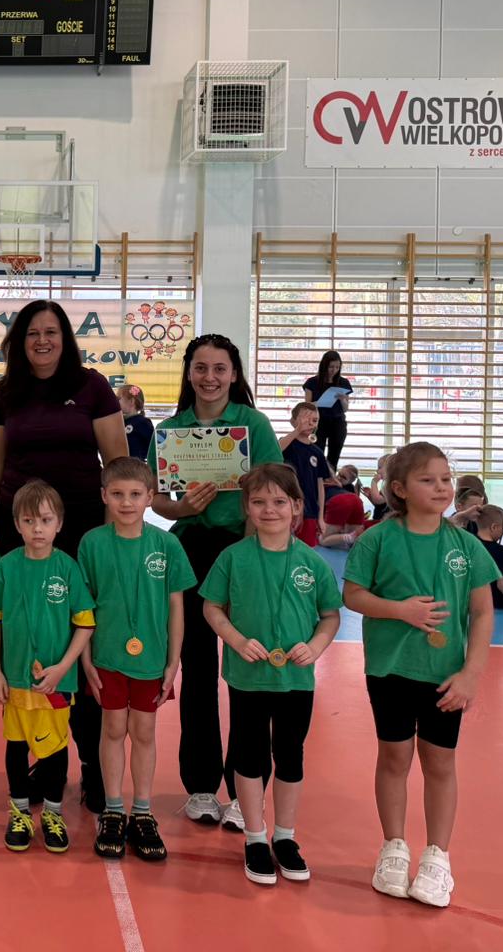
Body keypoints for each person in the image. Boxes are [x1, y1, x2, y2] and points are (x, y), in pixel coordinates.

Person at [0, 299, 128, 812]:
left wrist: (121, 532)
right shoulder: (6, 393)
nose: (42, 340)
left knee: (79, 645)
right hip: (21, 536)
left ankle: (93, 766)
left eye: (51, 332)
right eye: (32, 332)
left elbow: (117, 463)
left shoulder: (92, 387)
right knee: (28, 646)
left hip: (81, 535)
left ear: (65, 338)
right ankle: (43, 758)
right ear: (19, 340)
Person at [343, 440, 499, 909]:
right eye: (427, 480)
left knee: (440, 763)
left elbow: (483, 612)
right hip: (390, 669)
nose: (441, 488)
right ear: (399, 489)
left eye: (446, 479)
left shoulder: (466, 546)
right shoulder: (377, 539)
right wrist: (400, 610)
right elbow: (353, 595)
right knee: (394, 758)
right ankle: (393, 847)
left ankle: (437, 857)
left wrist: (471, 674)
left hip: (444, 675)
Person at [149, 334, 284, 831]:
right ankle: (202, 786)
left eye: (219, 369)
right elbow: (155, 498)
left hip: (245, 550)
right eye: (201, 368)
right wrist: (182, 508)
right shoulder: (170, 431)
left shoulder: (253, 425)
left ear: (234, 374)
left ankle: (248, 788)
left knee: (251, 671)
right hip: (190, 552)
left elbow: (272, 489)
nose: (210, 377)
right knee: (199, 669)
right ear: (189, 373)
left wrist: (249, 557)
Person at [200, 464, 342, 887]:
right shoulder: (233, 557)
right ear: (247, 507)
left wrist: (315, 647)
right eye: (259, 502)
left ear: (297, 506)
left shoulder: (312, 562)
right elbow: (211, 607)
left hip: (296, 680)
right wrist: (235, 639)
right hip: (248, 677)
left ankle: (285, 836)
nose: (269, 509)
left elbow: (330, 616)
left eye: (279, 501)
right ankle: (255, 837)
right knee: (248, 755)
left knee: (290, 755)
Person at [78, 457, 195, 862]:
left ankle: (142, 811)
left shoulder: (167, 545)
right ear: (104, 496)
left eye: (134, 494)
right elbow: (83, 608)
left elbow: (176, 607)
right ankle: (113, 809)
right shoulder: (92, 543)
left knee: (144, 731)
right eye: (117, 494)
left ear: (150, 497)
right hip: (107, 656)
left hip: (152, 659)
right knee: (112, 728)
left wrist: (173, 661)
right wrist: (86, 660)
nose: (126, 502)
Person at [0, 481, 96, 854]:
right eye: (29, 521)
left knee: (55, 749)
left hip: (56, 683)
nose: (37, 529)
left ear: (59, 524)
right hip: (15, 678)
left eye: (45, 520)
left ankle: (52, 813)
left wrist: (63, 668)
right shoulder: (6, 567)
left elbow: (85, 623)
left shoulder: (68, 568)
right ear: (16, 524)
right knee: (16, 745)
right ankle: (19, 813)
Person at [279, 402, 331, 547]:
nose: (310, 423)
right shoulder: (286, 444)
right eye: (305, 419)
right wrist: (297, 430)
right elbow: (275, 451)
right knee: (282, 548)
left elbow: (320, 486)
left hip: (309, 511)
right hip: (286, 508)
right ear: (293, 421)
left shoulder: (317, 452)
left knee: (306, 550)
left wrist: (320, 517)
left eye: (314, 420)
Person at [301, 350, 352, 469]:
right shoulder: (312, 382)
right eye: (331, 367)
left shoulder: (343, 382)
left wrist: (342, 399)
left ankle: (331, 477)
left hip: (337, 422)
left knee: (334, 457)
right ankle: (316, 478)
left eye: (337, 367)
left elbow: (345, 409)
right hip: (318, 422)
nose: (334, 370)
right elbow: (306, 406)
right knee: (316, 454)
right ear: (324, 366)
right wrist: (320, 402)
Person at [118, 384, 154, 463]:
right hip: (121, 465)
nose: (116, 402)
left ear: (131, 401)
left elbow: (152, 446)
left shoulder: (143, 422)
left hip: (136, 466)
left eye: (119, 398)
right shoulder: (119, 422)